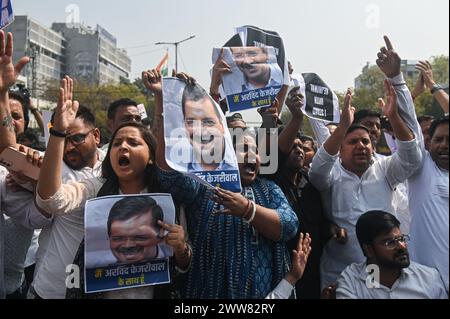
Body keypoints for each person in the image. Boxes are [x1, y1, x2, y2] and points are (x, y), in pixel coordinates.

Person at [146, 70, 298, 298]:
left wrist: (248, 210)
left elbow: (288, 225)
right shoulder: (205, 186)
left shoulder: (269, 189)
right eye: (244, 149)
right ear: (225, 154)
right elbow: (168, 173)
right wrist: (165, 101)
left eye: (256, 152)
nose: (253, 157)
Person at [35, 77, 191, 299]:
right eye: (117, 143)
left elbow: (184, 264)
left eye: (133, 143)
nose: (123, 147)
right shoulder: (96, 189)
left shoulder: (169, 199)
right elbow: (51, 201)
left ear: (150, 156)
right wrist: (58, 132)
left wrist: (181, 248)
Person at [309, 80, 422, 289]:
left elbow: (412, 159)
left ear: (373, 146)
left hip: (382, 271)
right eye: (352, 142)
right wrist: (342, 127)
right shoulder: (331, 173)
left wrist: (395, 117)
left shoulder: (385, 169)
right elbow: (316, 172)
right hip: (339, 270)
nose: (361, 146)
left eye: (366, 141)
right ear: (340, 150)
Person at [375, 36, 449, 292]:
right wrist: (397, 78)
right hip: (429, 287)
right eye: (438, 139)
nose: (444, 145)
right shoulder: (422, 169)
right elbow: (412, 127)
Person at [336, 211, 447, 299]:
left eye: (402, 239)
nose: (402, 246)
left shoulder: (428, 278)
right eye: (390, 242)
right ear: (368, 249)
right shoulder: (352, 280)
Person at [181, 83, 235, 172]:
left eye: (208, 122)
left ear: (222, 126)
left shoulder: (238, 170)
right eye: (191, 122)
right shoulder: (178, 171)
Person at [107, 196, 168, 264]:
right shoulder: (99, 269)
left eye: (139, 238)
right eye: (118, 239)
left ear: (161, 233)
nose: (128, 245)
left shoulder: (175, 259)